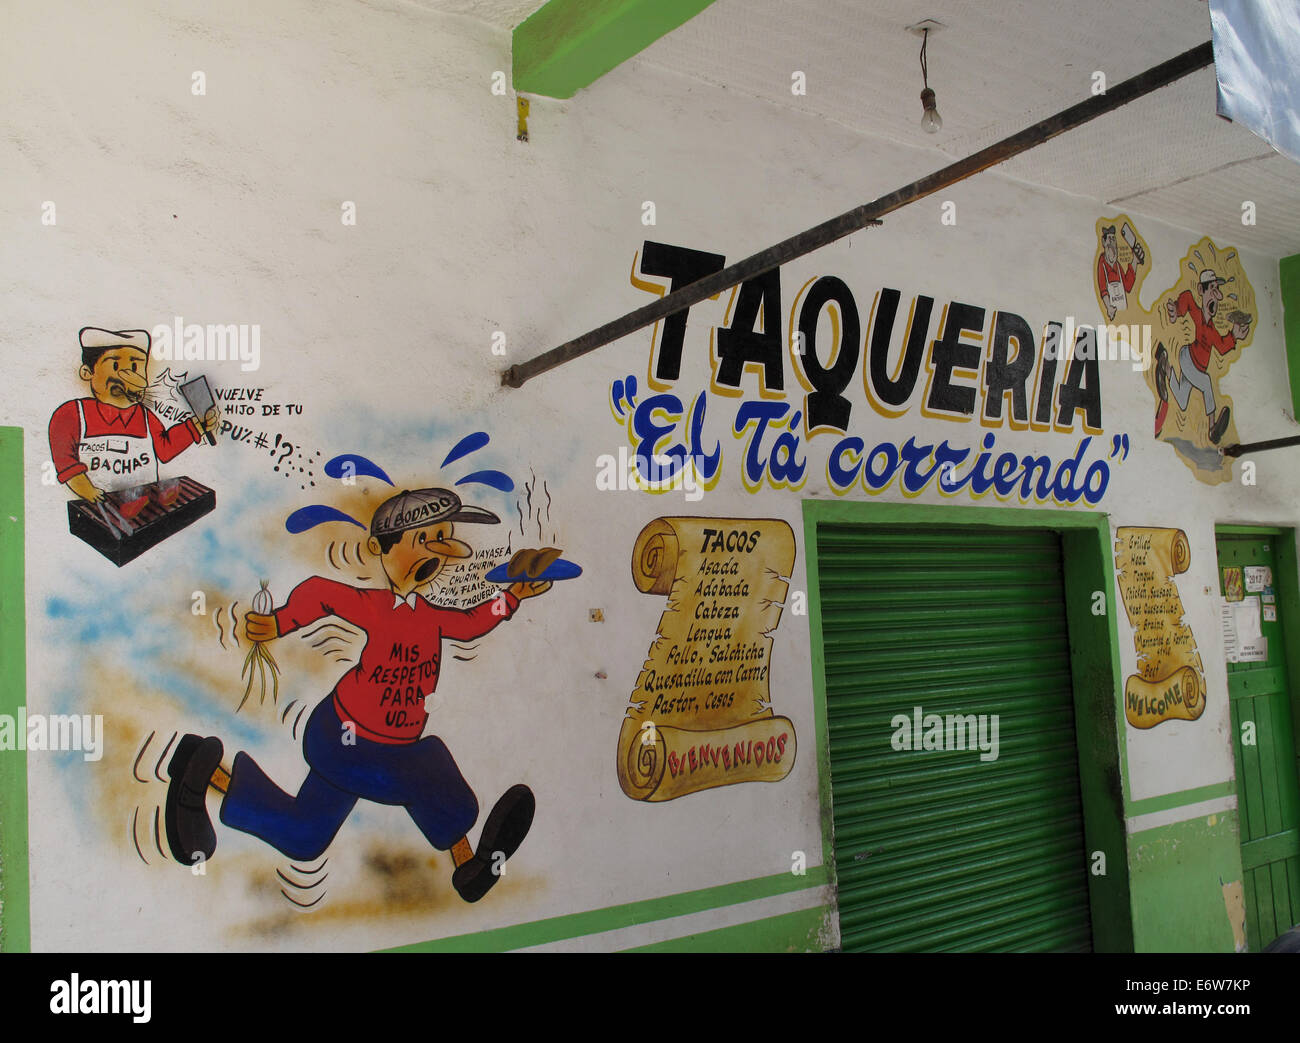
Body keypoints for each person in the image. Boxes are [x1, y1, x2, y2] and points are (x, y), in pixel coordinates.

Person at [165, 487, 553, 903]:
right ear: (379, 549)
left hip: (380, 746)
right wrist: (280, 622)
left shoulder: (430, 617)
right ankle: (469, 865)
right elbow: (321, 594)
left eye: (441, 540)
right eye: (423, 540)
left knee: (305, 834)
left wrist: (513, 596)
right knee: (428, 771)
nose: (436, 554)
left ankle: (201, 774)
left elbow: (472, 622)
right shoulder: (376, 607)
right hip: (346, 738)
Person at [47, 327, 220, 501]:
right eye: (115, 365)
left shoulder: (144, 416)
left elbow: (165, 448)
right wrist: (88, 492)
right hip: (102, 509)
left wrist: (198, 427)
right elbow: (66, 464)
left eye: (135, 366)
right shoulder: (72, 415)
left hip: (146, 508)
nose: (127, 376)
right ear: (88, 372)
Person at [1153, 269, 1250, 442]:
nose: (1215, 294)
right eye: (1211, 288)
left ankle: (1165, 365)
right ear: (1202, 290)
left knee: (1182, 401)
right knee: (1206, 382)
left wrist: (1235, 335)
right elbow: (1187, 301)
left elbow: (1221, 346)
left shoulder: (1212, 330)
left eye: (1216, 290)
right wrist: (1176, 310)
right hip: (1187, 357)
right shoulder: (1197, 312)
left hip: (1196, 369)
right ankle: (1212, 428)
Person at [1096, 225, 1143, 321]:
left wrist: (1135, 261)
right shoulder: (1102, 264)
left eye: (1114, 239)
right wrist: (1109, 307)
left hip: (1124, 319)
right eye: (1109, 239)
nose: (1112, 242)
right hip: (1112, 316)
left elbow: (1128, 285)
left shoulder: (1117, 266)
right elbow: (1103, 289)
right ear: (1104, 242)